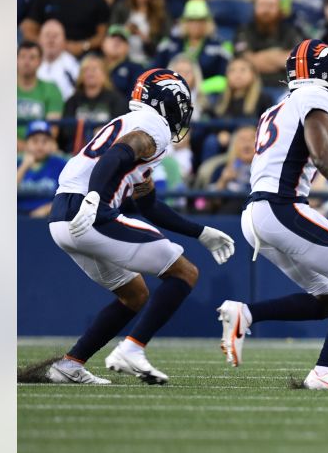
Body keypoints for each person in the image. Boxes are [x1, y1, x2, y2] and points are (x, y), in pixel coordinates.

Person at [215, 40, 328, 390]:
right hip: (281, 206)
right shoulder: (317, 96)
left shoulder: (278, 105)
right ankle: (324, 370)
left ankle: (247, 314)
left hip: (255, 212)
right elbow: (322, 156)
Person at [42, 68, 235, 385]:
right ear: (164, 101)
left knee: (134, 295)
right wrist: (95, 199)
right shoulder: (152, 127)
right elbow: (117, 155)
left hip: (61, 217)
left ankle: (69, 365)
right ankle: (132, 349)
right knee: (185, 273)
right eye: (179, 105)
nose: (181, 114)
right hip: (88, 211)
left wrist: (200, 232)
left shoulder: (131, 122)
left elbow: (148, 204)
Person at [155, 0, 233, 91]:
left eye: (200, 20)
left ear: (208, 22)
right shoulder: (169, 43)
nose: (196, 25)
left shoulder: (220, 47)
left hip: (205, 95)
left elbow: (226, 78)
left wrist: (197, 88)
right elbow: (155, 71)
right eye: (191, 20)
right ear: (184, 22)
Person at [235, 0, 303, 89]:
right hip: (252, 88)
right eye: (262, 5)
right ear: (254, 7)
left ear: (279, 8)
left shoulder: (291, 31)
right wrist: (279, 57)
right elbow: (246, 62)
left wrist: (262, 57)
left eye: (271, 5)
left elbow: (300, 61)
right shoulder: (244, 31)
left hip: (285, 87)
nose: (266, 10)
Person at [64, 55, 130, 150]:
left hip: (108, 148)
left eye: (95, 69)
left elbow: (121, 128)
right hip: (77, 149)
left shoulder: (116, 99)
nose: (90, 73)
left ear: (104, 74)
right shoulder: (73, 100)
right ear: (81, 76)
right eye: (86, 70)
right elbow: (67, 131)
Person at [110, 0, 172, 65]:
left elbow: (162, 46)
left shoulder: (160, 14)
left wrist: (143, 37)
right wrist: (124, 31)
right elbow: (111, 32)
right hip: (122, 60)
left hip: (148, 62)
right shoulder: (122, 8)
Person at [19, 120, 68, 218]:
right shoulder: (16, 163)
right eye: (35, 141)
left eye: (45, 141)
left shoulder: (60, 164)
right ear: (26, 144)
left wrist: (47, 209)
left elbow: (68, 198)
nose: (40, 146)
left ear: (52, 144)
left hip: (49, 218)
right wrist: (24, 167)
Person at [18, 41, 65, 126]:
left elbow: (52, 130)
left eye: (32, 58)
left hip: (40, 139)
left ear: (40, 62)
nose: (26, 62)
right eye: (22, 57)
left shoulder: (52, 90)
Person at [37, 20, 81, 101]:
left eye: (55, 36)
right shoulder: (30, 62)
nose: (51, 40)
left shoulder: (72, 65)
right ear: (39, 39)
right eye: (47, 35)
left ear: (64, 41)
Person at [101, 26, 145, 98]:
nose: (117, 40)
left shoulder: (135, 69)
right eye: (113, 37)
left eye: (122, 39)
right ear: (103, 44)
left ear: (127, 47)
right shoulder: (92, 65)